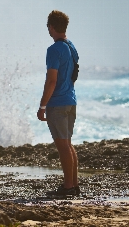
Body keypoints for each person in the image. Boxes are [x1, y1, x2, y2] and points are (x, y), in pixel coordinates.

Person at [37, 10, 80, 197]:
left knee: (63, 147)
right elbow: (74, 75)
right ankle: (73, 185)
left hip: (58, 104)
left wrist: (42, 106)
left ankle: (69, 187)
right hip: (71, 100)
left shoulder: (53, 50)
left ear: (51, 27)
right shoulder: (72, 47)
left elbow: (51, 81)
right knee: (68, 145)